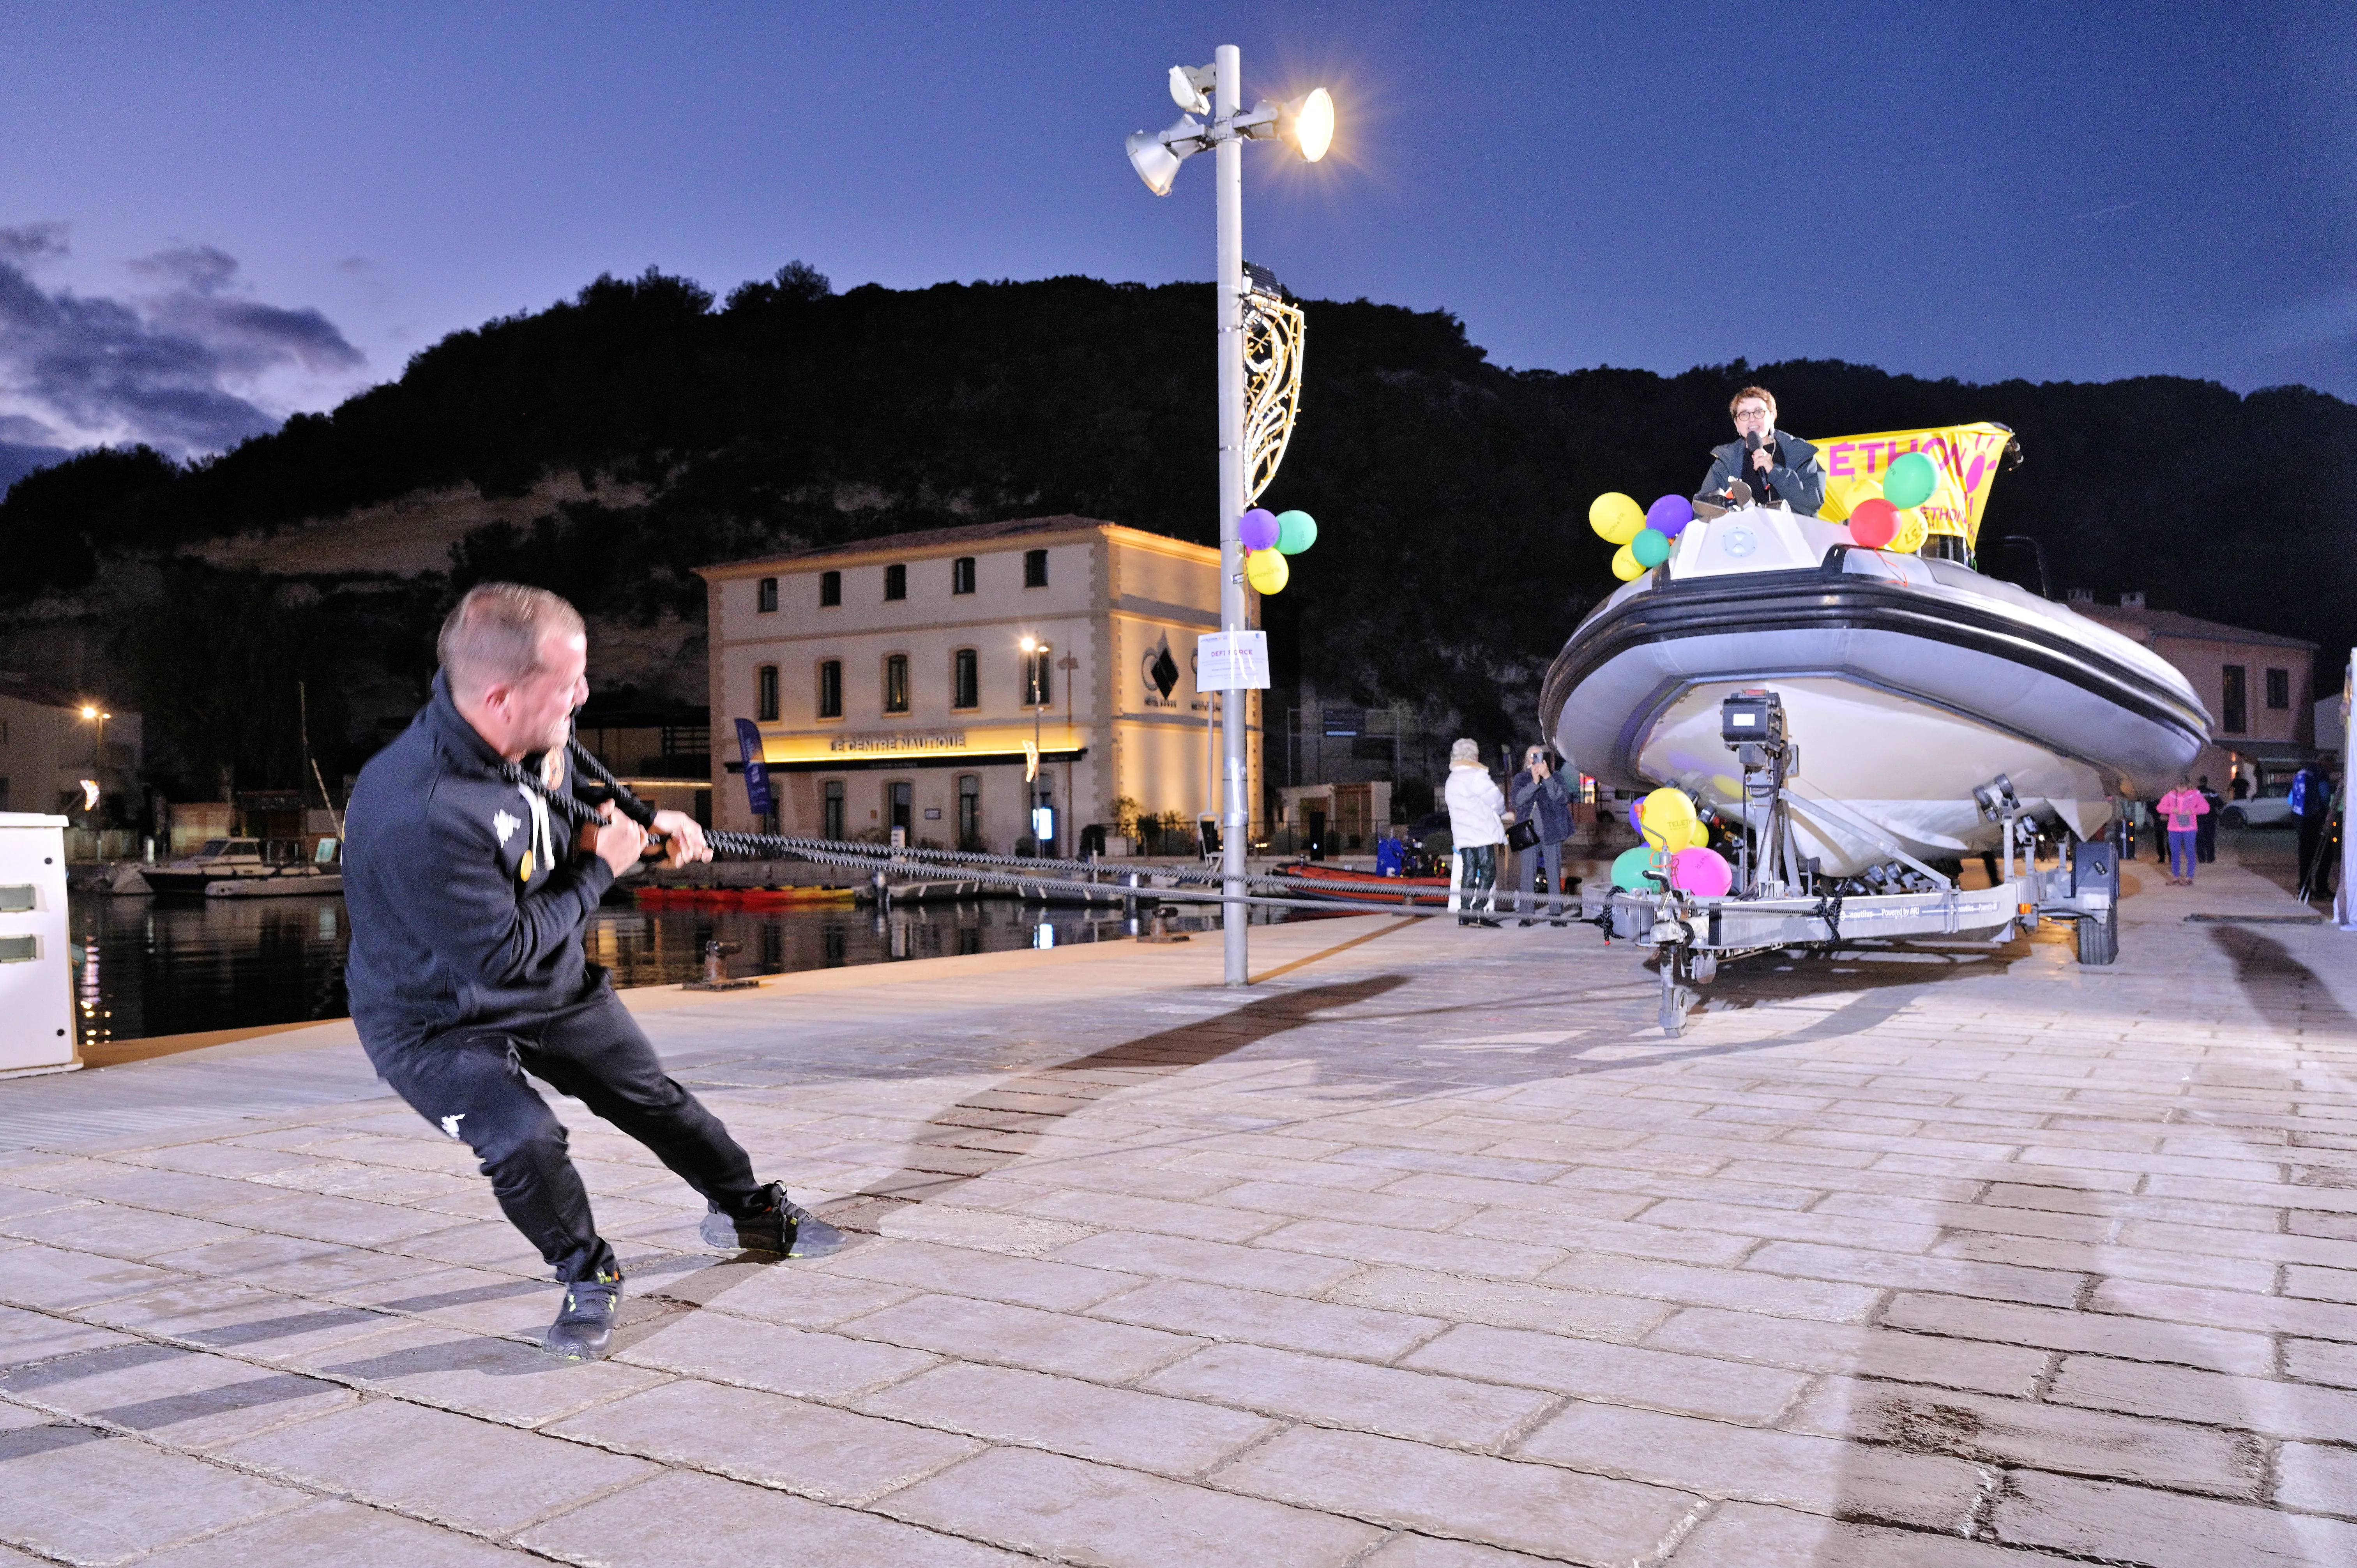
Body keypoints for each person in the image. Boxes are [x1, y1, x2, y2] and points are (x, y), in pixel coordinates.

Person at [343, 583, 843, 1365]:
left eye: (582, 676)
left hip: (544, 982)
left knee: (654, 1099)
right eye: (568, 683)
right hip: (433, 1012)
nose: (584, 695)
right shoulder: (426, 808)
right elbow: (502, 953)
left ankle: (750, 1209)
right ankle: (588, 1269)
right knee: (523, 1137)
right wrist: (600, 869)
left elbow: (561, 794)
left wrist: (644, 822)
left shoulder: (527, 732)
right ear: (501, 695)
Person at [1694, 386, 1826, 517]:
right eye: (1744, 414)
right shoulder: (1726, 461)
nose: (1752, 419)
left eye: (1759, 412)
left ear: (1772, 416)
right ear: (1736, 424)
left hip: (1792, 534)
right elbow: (1703, 509)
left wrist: (1775, 471)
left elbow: (1812, 503)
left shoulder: (1798, 453)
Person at [1444, 737, 1509, 927]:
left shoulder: (1452, 779)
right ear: (1473, 755)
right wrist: (1504, 813)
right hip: (1481, 832)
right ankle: (1479, 910)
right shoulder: (1475, 775)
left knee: (1469, 872)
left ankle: (1464, 913)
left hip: (1463, 834)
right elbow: (1496, 800)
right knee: (1489, 871)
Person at [1509, 745, 1576, 925]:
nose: (1536, 759)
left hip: (1552, 830)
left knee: (1554, 872)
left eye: (1539, 755)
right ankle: (1527, 915)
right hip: (1528, 833)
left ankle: (1556, 915)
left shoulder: (1556, 777)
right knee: (1527, 874)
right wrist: (1534, 783)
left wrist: (1547, 778)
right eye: (1532, 756)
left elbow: (1562, 798)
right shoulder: (1521, 779)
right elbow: (1517, 801)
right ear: (1526, 760)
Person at [2156, 774, 2208, 886]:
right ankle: (2175, 877)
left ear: (2188, 786)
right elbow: (2160, 807)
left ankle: (2189, 877)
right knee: (2175, 853)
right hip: (2174, 829)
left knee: (2190, 852)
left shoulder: (2195, 794)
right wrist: (2171, 810)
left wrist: (2193, 811)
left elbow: (2206, 808)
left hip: (2190, 828)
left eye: (2183, 788)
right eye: (2179, 787)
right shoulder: (2171, 794)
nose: (2181, 790)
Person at [2194, 774, 2223, 864]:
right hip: (2210, 819)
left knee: (2200, 839)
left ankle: (2202, 859)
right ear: (2206, 783)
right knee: (2209, 839)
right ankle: (2211, 858)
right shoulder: (2212, 793)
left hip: (2198, 819)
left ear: (2200, 782)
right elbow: (2220, 804)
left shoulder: (2194, 793)